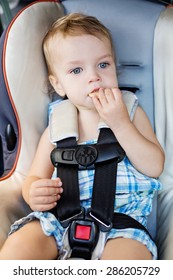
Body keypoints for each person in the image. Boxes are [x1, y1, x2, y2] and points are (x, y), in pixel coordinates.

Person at [0, 13, 164, 260]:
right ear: (58, 85)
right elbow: (34, 175)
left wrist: (120, 124)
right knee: (19, 246)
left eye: (103, 64)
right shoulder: (57, 123)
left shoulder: (130, 111)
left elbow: (155, 166)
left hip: (121, 224)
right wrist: (33, 190)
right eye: (76, 70)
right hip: (58, 220)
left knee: (129, 260)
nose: (94, 76)